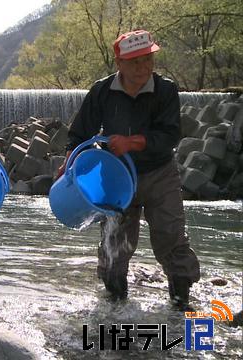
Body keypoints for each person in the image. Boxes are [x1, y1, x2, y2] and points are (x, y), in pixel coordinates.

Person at [63, 29, 200, 310]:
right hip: (115, 177)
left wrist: (132, 142)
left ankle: (181, 301)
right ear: (119, 64)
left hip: (160, 175)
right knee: (115, 243)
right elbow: (79, 135)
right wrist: (70, 162)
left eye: (148, 59)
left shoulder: (166, 90)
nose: (143, 67)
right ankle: (115, 302)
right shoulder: (101, 91)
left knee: (171, 238)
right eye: (135, 61)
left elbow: (170, 136)